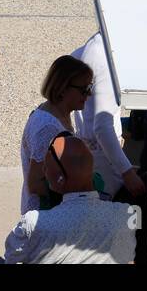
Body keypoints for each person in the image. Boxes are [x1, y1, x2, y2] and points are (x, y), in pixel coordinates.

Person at [5, 134, 137, 264]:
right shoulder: (125, 215)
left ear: (60, 179)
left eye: (46, 167)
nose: (44, 171)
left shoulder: (33, 225)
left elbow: (11, 258)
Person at [72, 33, 147, 202]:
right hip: (103, 157)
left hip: (90, 149)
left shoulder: (90, 47)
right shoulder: (106, 57)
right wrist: (127, 172)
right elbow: (102, 127)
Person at [20, 55, 96, 213]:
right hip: (46, 215)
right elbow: (35, 183)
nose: (88, 95)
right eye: (84, 89)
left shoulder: (56, 112)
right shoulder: (48, 127)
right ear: (62, 88)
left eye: (90, 87)